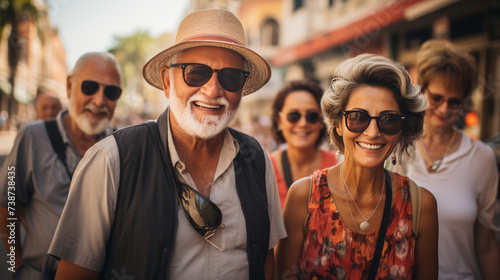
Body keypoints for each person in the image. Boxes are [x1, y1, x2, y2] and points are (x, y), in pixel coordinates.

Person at [48, 9, 286, 280]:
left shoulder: (257, 159)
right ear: (166, 81)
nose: (213, 90)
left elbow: (267, 264)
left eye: (230, 77)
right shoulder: (111, 160)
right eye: (196, 73)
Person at [275, 54, 439, 279]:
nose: (372, 132)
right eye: (358, 117)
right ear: (338, 124)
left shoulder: (421, 206)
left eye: (388, 120)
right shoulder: (303, 197)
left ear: (402, 130)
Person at [0, 52, 122, 279]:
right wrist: (14, 264)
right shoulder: (32, 138)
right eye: (89, 87)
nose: (99, 100)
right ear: (69, 86)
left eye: (111, 91)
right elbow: (7, 205)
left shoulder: (121, 147)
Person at [395, 39, 500, 280]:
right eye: (437, 98)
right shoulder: (398, 148)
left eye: (455, 102)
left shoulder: (481, 157)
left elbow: (486, 244)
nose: (445, 109)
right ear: (421, 92)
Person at [270, 79, 338, 210]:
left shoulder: (340, 165)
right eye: (293, 116)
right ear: (279, 121)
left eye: (311, 116)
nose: (303, 123)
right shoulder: (265, 169)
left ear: (321, 121)